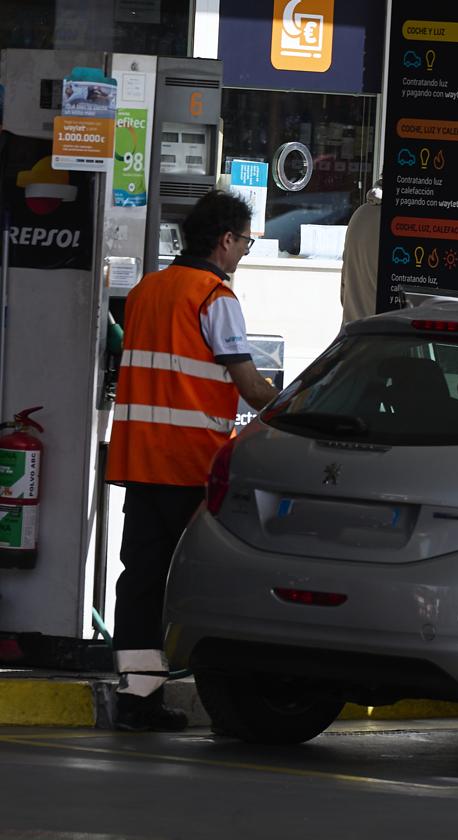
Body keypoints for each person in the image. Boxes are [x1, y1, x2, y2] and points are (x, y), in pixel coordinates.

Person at [106, 190, 278, 732]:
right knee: (205, 582)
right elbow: (250, 387)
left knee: (140, 581)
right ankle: (225, 695)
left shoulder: (146, 291)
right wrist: (304, 404)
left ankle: (137, 699)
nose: (245, 252)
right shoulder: (214, 297)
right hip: (189, 467)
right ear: (225, 240)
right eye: (246, 242)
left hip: (141, 462)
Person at [340, 178, 382, 324]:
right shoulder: (402, 223)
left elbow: (344, 288)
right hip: (385, 337)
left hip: (353, 335)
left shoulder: (360, 214)